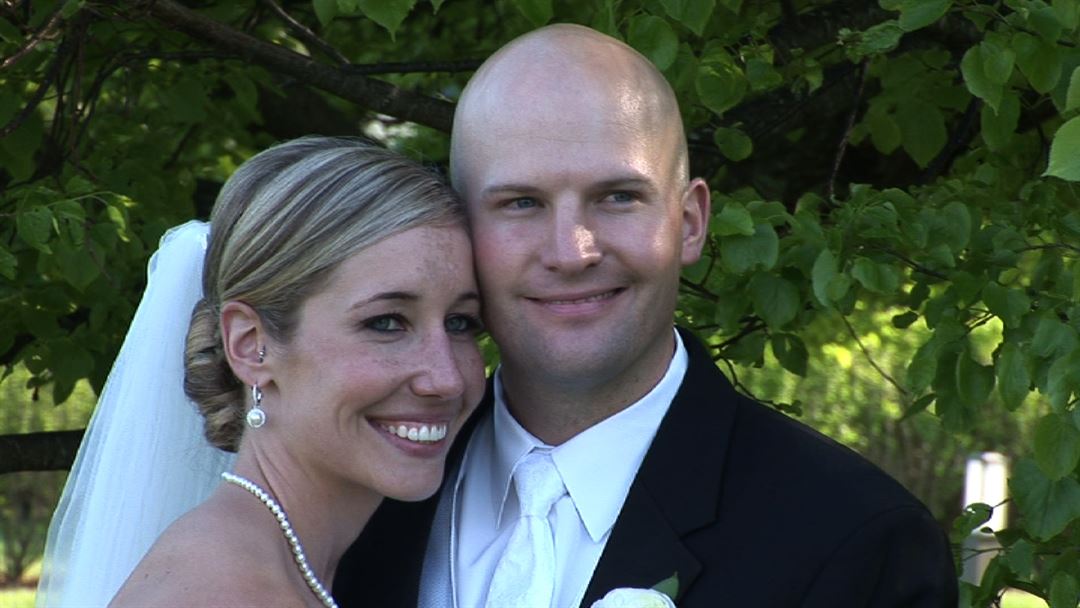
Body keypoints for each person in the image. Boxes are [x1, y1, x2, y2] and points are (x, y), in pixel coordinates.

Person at [333, 24, 958, 607]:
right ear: (463, 229)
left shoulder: (855, 542)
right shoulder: (358, 500)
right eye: (521, 203)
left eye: (617, 197)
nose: (571, 252)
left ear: (689, 223)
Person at [36, 136, 486, 607]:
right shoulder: (221, 594)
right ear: (251, 345)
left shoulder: (293, 567)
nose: (446, 379)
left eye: (461, 323)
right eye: (386, 323)